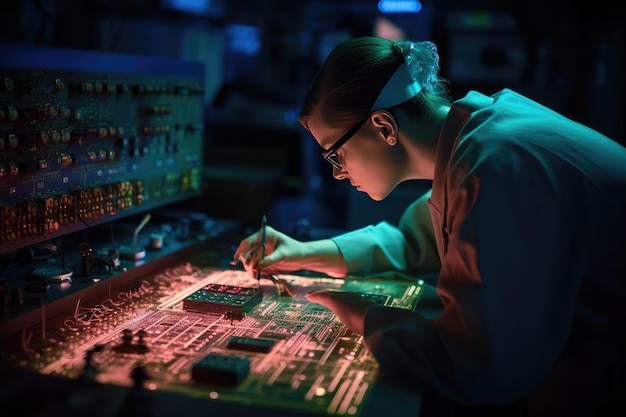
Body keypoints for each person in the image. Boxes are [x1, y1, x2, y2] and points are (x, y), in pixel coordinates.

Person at [232, 36, 626, 416]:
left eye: (336, 154)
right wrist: (302, 254)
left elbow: (481, 366)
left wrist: (366, 319)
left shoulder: (494, 166)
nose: (337, 173)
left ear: (384, 126)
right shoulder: (478, 138)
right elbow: (413, 241)